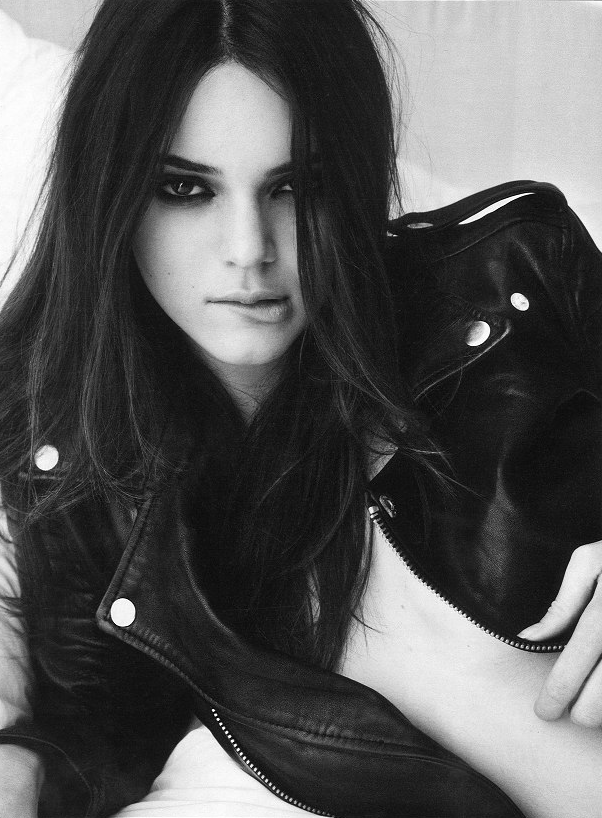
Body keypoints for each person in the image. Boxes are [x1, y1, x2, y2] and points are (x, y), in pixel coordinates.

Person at [0, 0, 601, 816]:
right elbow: (75, 738)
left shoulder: (515, 282)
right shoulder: (64, 465)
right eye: (185, 188)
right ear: (108, 191)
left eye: (296, 187)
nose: (249, 250)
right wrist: (20, 761)